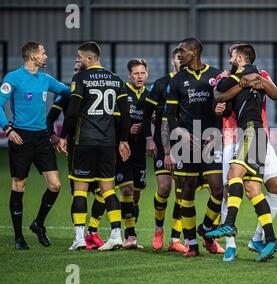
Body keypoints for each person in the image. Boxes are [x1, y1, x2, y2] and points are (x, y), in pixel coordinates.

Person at [206, 44, 277, 262]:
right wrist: (242, 84)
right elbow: (219, 97)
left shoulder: (260, 73)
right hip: (234, 136)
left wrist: (257, 79)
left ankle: (230, 225)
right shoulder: (228, 75)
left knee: (239, 178)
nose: (229, 58)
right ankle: (259, 239)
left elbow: (275, 93)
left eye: (231, 55)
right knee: (248, 187)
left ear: (238, 57)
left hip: (252, 132)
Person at [57, 41, 130, 251]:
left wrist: (63, 136)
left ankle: (79, 238)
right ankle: (116, 235)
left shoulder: (80, 78)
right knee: (108, 190)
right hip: (108, 144)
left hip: (85, 142)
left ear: (89, 59)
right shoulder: (116, 80)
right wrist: (123, 140)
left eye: (79, 57)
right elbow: (125, 114)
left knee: (80, 190)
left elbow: (72, 111)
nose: (77, 60)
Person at [0, 41, 70, 250]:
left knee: (55, 185)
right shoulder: (12, 78)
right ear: (32, 57)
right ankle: (19, 237)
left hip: (41, 138)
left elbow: (67, 92)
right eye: (43, 53)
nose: (46, 56)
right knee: (19, 185)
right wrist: (8, 129)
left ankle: (38, 223)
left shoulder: (45, 79)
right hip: (20, 137)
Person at [162, 38, 224, 257]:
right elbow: (169, 114)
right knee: (186, 191)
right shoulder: (177, 80)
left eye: (183, 51)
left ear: (195, 52)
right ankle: (191, 244)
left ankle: (207, 231)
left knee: (218, 190)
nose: (180, 55)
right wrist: (181, 133)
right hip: (185, 142)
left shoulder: (215, 76)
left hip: (211, 140)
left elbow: (224, 106)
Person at [46, 61, 106, 250]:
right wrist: (56, 137)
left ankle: (92, 232)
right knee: (79, 192)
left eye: (79, 69)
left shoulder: (99, 89)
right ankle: (79, 234)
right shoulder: (66, 94)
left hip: (100, 146)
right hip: (77, 147)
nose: (76, 73)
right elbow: (49, 120)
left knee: (102, 192)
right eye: (74, 70)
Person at [147, 48, 186, 253]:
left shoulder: (190, 83)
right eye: (178, 58)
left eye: (184, 57)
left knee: (182, 191)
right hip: (164, 143)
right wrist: (150, 139)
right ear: (172, 61)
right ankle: (158, 229)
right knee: (164, 189)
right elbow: (149, 113)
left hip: (186, 143)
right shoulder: (161, 84)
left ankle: (175, 238)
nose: (181, 61)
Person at [117, 58, 155, 249]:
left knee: (136, 194)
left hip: (140, 151)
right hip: (123, 150)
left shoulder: (149, 95)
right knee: (127, 190)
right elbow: (111, 120)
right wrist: (126, 130)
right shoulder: (121, 92)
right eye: (135, 73)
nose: (139, 77)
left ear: (147, 74)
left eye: (142, 73)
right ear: (129, 75)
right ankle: (129, 235)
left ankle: (130, 232)